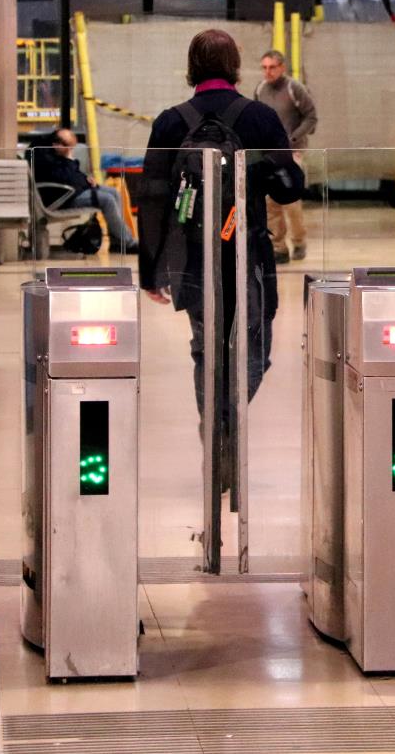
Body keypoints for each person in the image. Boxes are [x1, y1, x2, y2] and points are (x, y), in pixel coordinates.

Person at [138, 29, 305, 485]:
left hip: (192, 260)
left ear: (191, 66)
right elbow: (291, 188)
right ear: (235, 65)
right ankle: (229, 423)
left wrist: (151, 272)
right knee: (256, 351)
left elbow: (151, 198)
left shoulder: (171, 122)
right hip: (249, 257)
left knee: (204, 350)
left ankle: (216, 428)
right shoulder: (260, 117)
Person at [29, 127, 139, 253]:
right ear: (57, 144)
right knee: (107, 199)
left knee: (114, 192)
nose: (70, 151)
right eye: (69, 148)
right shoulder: (45, 158)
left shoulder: (54, 152)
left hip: (69, 190)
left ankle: (116, 242)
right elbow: (65, 177)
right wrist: (69, 160)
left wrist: (85, 178)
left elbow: (72, 176)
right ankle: (128, 243)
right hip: (61, 197)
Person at [254, 49, 317, 263]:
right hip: (269, 153)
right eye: (264, 67)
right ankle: (278, 247)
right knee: (271, 202)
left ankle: (299, 242)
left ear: (282, 67)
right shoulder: (260, 89)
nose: (268, 72)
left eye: (272, 67)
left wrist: (294, 138)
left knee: (291, 201)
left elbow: (311, 116)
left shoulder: (294, 88)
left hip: (292, 153)